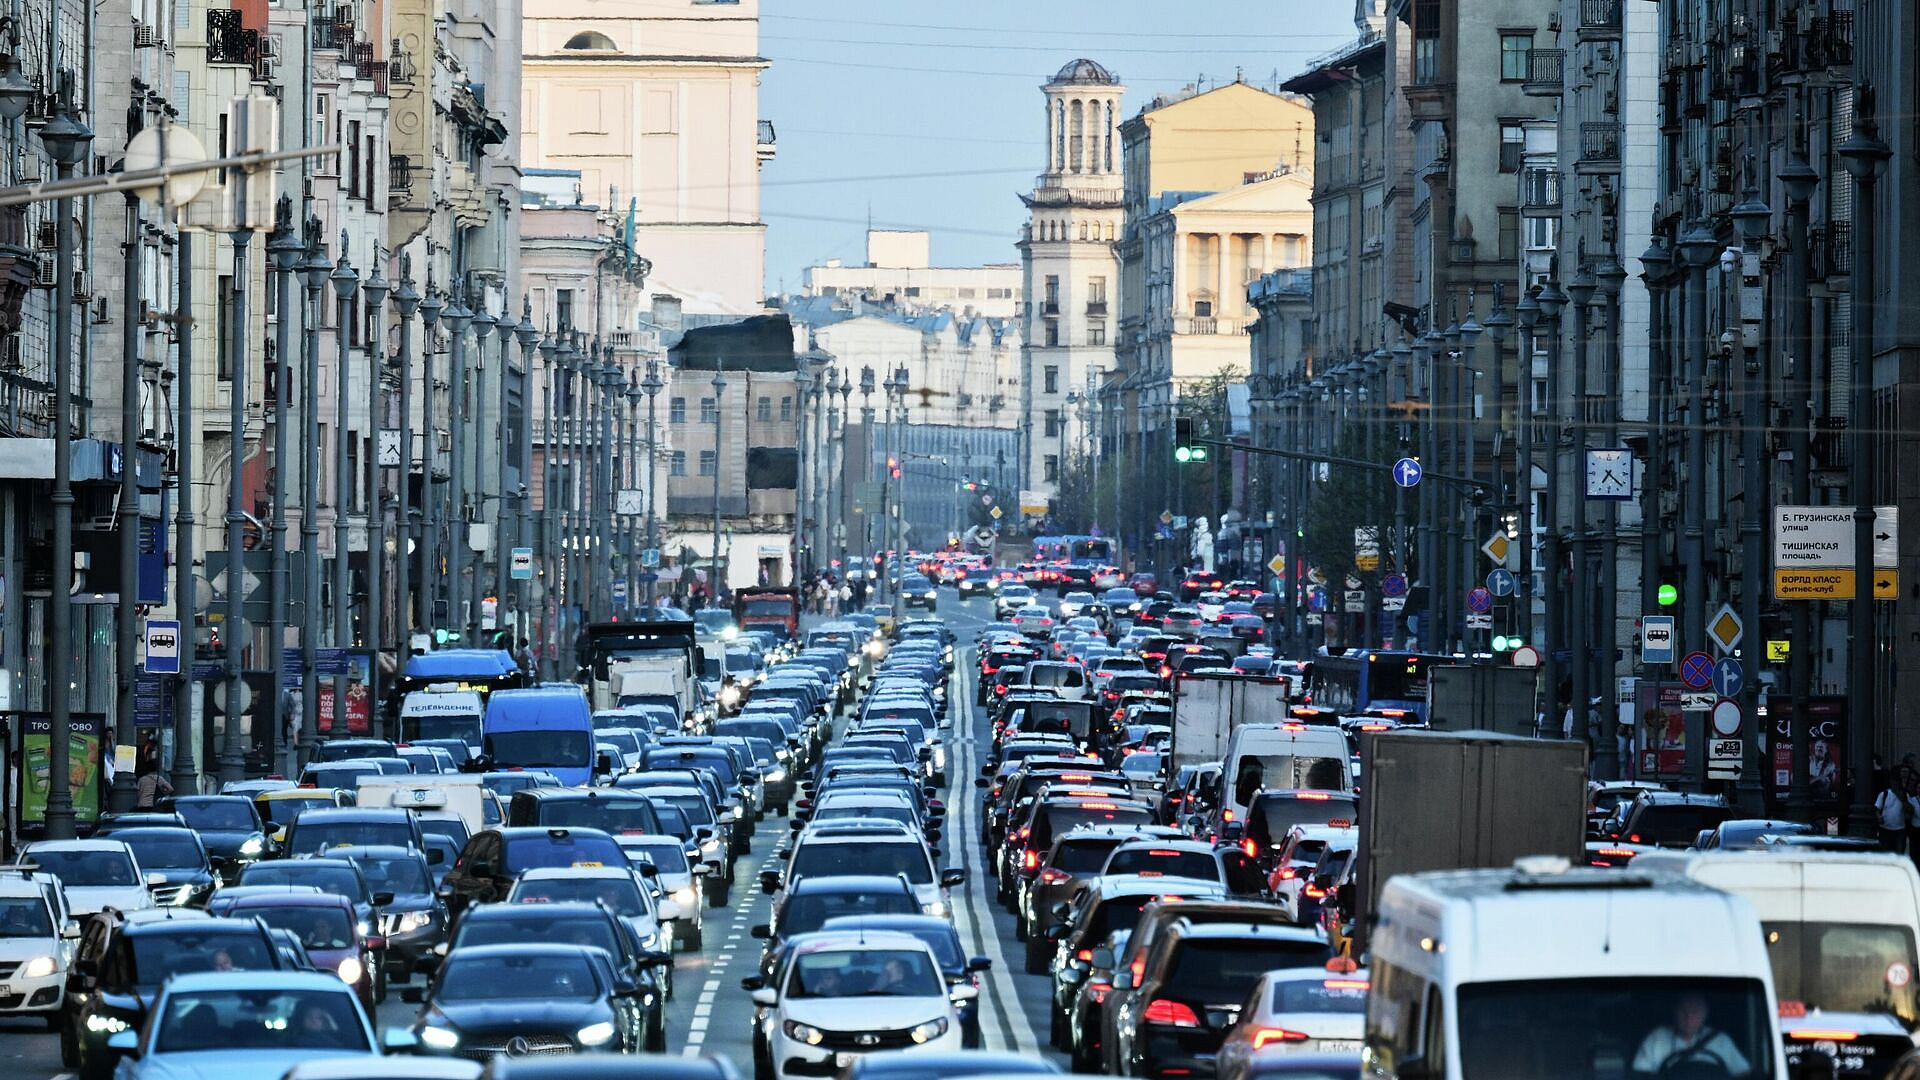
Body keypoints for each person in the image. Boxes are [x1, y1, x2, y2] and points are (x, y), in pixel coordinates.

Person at [1631, 994, 1752, 1077]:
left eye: (1695, 1012)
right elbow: (1640, 1075)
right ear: (1675, 1012)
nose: (1689, 1018)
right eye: (1684, 1011)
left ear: (1705, 1014)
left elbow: (1743, 1074)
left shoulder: (1721, 1041)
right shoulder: (1656, 1039)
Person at [1877, 779, 1911, 852]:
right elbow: (1877, 809)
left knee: (1899, 853)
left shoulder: (1905, 795)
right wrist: (1879, 817)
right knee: (1884, 853)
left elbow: (1909, 810)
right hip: (1885, 829)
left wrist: (1902, 798)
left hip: (1900, 830)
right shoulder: (1884, 794)